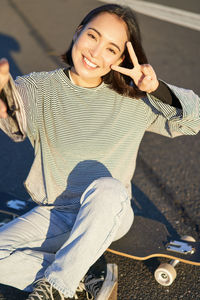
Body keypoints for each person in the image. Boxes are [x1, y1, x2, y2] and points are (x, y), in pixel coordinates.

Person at [0, 3, 199, 300]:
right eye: (93, 36)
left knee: (107, 188)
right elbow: (15, 122)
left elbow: (194, 120)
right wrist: (4, 101)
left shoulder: (134, 99)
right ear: (78, 32)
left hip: (109, 212)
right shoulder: (39, 87)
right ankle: (78, 280)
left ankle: (58, 286)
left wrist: (156, 89)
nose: (95, 53)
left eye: (111, 49)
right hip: (55, 212)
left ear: (120, 59)